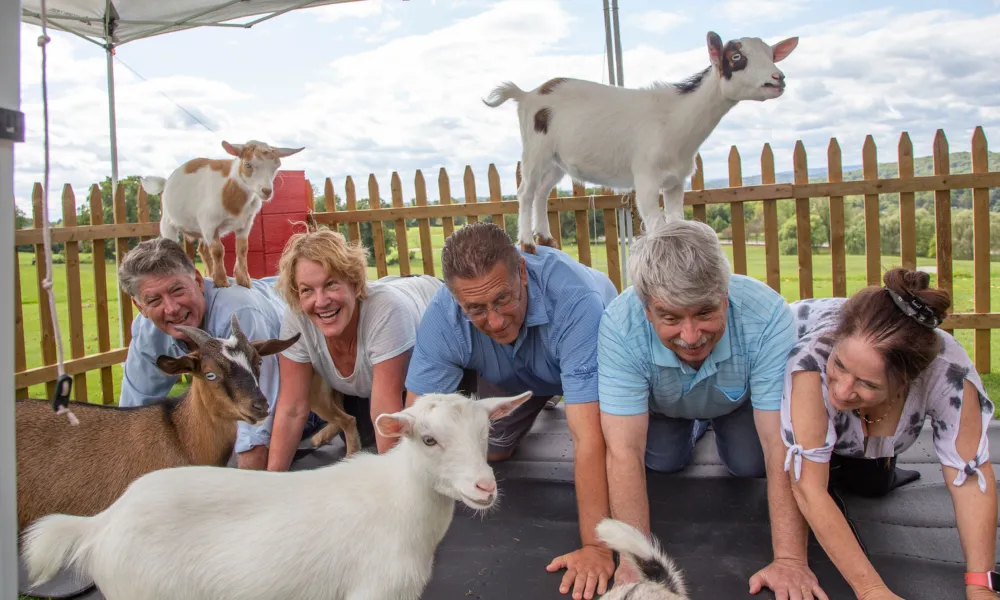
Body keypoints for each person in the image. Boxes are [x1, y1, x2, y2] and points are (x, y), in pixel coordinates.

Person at [597, 218, 827, 599]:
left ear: (725, 295)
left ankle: (714, 421)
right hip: (664, 407)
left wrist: (789, 560)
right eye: (670, 318)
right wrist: (634, 564)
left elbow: (778, 444)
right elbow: (624, 450)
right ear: (647, 309)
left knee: (749, 464)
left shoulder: (767, 315)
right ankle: (693, 425)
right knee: (663, 462)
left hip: (735, 403)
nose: (690, 337)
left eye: (705, 313)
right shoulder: (620, 326)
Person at [404, 221, 620, 600]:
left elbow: (588, 438)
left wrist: (597, 548)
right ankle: (538, 398)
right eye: (476, 309)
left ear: (522, 271)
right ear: (456, 300)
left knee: (645, 454)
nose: (496, 320)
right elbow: (418, 430)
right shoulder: (443, 318)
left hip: (578, 357)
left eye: (504, 298)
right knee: (494, 449)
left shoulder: (574, 299)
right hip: (512, 373)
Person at [780, 268, 997, 600]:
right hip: (787, 384)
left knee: (871, 483)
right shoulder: (811, 359)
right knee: (782, 468)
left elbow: (970, 479)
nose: (842, 389)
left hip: (874, 425)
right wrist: (872, 590)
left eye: (867, 383)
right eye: (840, 366)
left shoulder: (949, 374)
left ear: (910, 381)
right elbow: (808, 487)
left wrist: (980, 585)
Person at [265, 227, 443, 470]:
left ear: (355, 282)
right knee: (370, 439)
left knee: (436, 439)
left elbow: (386, 410)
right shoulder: (297, 317)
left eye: (331, 284)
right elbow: (293, 409)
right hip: (372, 376)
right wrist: (272, 484)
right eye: (307, 290)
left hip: (433, 309)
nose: (321, 301)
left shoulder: (387, 311)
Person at [117, 237, 288, 470]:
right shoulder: (147, 332)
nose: (172, 308)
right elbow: (132, 417)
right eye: (154, 300)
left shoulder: (238, 313)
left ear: (198, 281)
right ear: (140, 307)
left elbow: (258, 429)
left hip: (308, 396)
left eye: (177, 290)